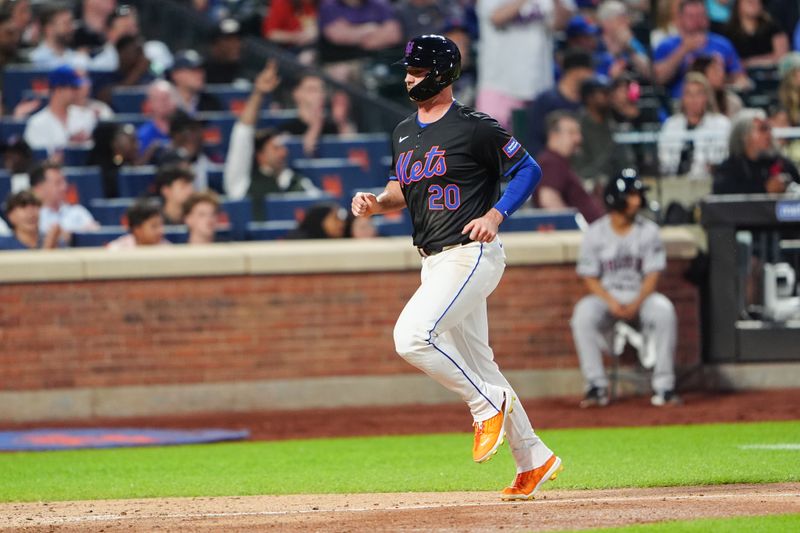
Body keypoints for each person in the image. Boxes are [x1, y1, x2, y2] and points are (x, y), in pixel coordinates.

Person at [351, 35, 562, 500]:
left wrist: (495, 213)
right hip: (433, 260)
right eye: (408, 70)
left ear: (443, 74)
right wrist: (374, 203)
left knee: (411, 337)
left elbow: (528, 169)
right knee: (478, 363)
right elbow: (398, 193)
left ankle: (485, 404)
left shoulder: (474, 127)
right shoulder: (404, 130)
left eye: (418, 71)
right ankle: (534, 458)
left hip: (469, 253)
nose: (408, 77)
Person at [570, 169, 680, 408]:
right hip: (607, 296)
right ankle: (596, 386)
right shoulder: (595, 233)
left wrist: (636, 303)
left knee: (664, 310)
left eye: (637, 194)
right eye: (631, 194)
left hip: (641, 295)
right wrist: (611, 302)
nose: (637, 200)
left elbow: (653, 275)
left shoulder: (648, 231)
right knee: (583, 314)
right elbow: (589, 277)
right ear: (615, 198)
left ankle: (665, 386)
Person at [224, 61, 320, 221]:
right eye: (275, 148)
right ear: (260, 156)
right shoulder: (242, 183)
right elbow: (242, 133)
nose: (283, 152)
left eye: (283, 148)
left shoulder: (299, 183)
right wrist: (258, 93)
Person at [475, 0, 574, 130]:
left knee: (534, 146)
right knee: (491, 143)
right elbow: (496, 17)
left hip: (539, 85)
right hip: (499, 85)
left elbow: (560, 24)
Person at [653, 0, 749, 99]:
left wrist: (720, 77)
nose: (697, 20)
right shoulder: (667, 45)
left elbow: (740, 77)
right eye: (691, 16)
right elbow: (658, 79)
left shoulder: (722, 44)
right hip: (679, 104)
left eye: (701, 15)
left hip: (719, 103)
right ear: (680, 19)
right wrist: (683, 50)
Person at [535, 111, 606, 223]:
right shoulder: (551, 162)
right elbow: (548, 200)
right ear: (554, 135)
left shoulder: (560, 162)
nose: (578, 139)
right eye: (572, 133)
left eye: (578, 133)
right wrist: (572, 228)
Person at [657, 72, 730, 178]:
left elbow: (725, 157)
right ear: (683, 98)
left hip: (711, 181)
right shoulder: (670, 125)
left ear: (706, 97)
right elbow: (663, 160)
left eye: (698, 94)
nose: (693, 99)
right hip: (675, 184)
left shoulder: (722, 124)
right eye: (689, 94)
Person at [526, 48, 595, 157]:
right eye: (589, 70)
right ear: (576, 71)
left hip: (583, 164)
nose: (592, 75)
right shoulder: (546, 100)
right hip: (551, 163)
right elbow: (535, 141)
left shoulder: (588, 100)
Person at [713, 108, 800, 194]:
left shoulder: (781, 163)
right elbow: (722, 195)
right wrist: (764, 189)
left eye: (769, 128)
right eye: (763, 129)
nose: (768, 134)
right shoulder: (729, 169)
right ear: (744, 136)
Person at [23, 65, 96, 154]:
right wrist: (69, 143)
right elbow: (38, 159)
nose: (77, 92)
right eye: (73, 88)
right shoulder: (37, 123)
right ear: (59, 89)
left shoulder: (86, 116)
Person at [30, 161, 99, 234]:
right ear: (39, 188)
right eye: (58, 183)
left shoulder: (78, 212)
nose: (64, 187)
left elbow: (95, 236)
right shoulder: (31, 217)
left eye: (64, 181)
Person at [720, 0, 788, 67]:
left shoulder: (773, 27)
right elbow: (728, 61)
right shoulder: (728, 31)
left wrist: (750, 62)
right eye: (750, 2)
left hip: (772, 73)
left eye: (758, 2)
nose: (755, 5)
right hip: (741, 76)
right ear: (738, 4)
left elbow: (782, 57)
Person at [106, 198, 170, 249]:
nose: (161, 231)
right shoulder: (117, 250)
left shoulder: (168, 250)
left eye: (161, 225)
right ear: (137, 229)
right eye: (154, 226)